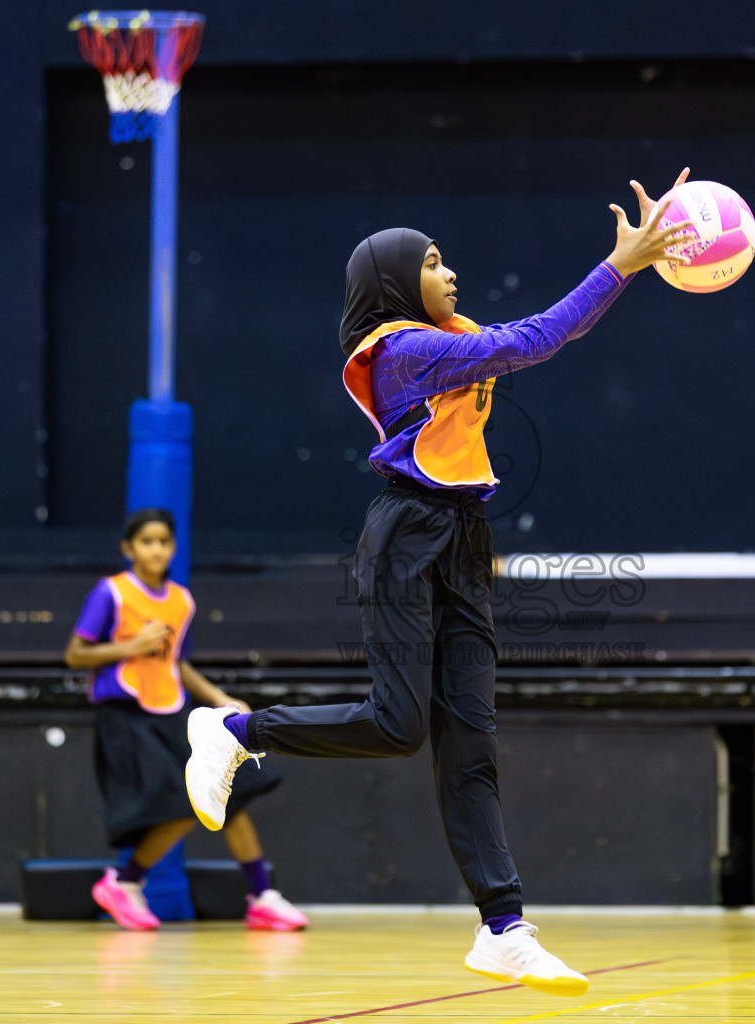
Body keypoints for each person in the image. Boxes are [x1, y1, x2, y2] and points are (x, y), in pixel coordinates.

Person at [185, 172, 696, 995]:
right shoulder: (404, 350)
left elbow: (547, 332)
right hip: (406, 535)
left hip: (462, 534)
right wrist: (622, 264)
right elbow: (538, 338)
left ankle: (504, 929)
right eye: (431, 262)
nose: (449, 271)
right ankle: (235, 730)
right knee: (398, 725)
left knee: (471, 743)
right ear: (393, 281)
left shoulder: (447, 335)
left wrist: (633, 265)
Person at [65, 508, 308, 932]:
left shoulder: (181, 600)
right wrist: (132, 646)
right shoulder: (111, 593)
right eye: (147, 541)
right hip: (126, 717)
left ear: (174, 548)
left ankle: (263, 896)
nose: (156, 549)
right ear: (128, 549)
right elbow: (75, 654)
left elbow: (177, 662)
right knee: (185, 803)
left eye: (163, 541)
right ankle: (124, 882)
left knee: (232, 790)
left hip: (172, 711)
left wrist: (220, 698)